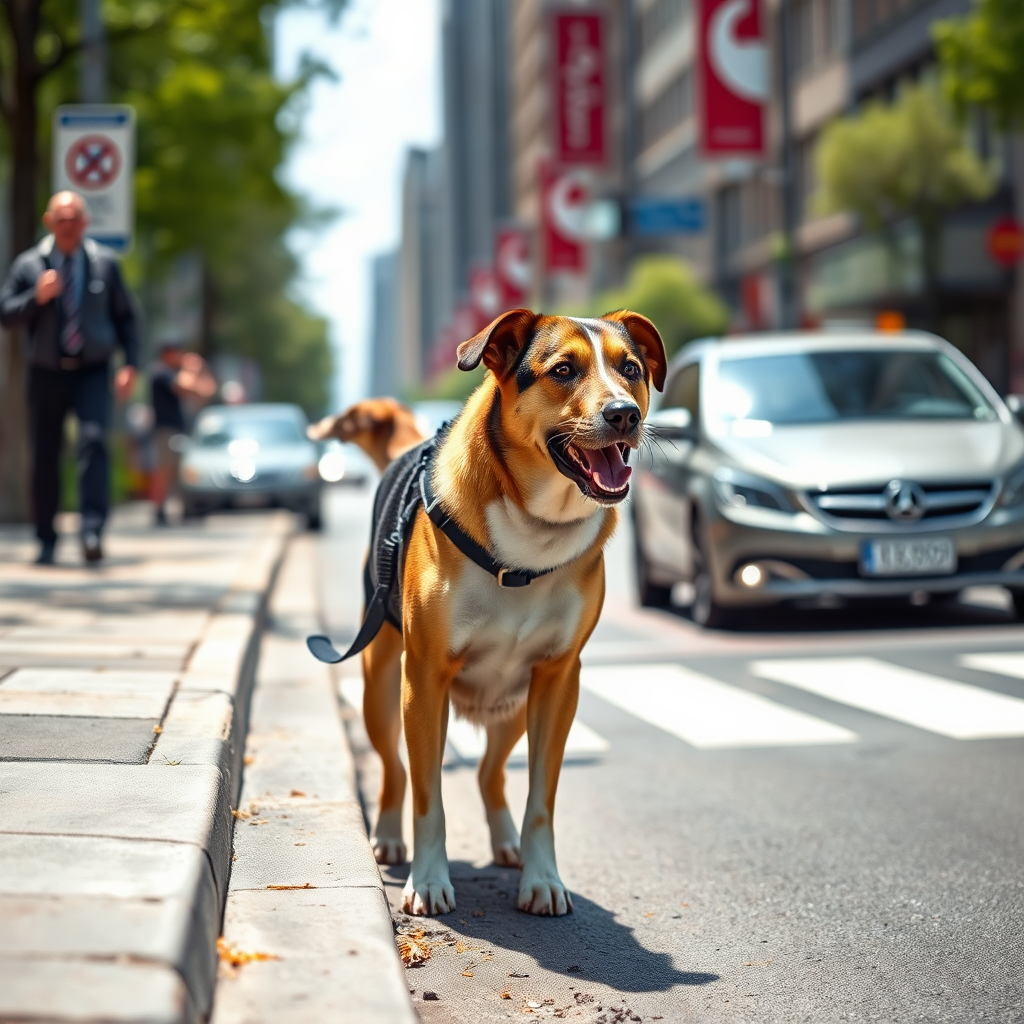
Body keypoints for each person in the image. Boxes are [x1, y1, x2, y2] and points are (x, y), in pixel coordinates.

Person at [0, 191, 138, 565]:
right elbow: (6, 313)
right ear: (48, 222)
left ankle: (92, 531)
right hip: (45, 371)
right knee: (45, 453)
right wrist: (35, 297)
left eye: (74, 217)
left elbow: (127, 317)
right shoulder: (30, 264)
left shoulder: (104, 264)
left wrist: (130, 364)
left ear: (85, 223)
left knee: (94, 443)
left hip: (93, 369)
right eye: (60, 218)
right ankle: (46, 537)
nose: (67, 225)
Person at [149, 336, 216, 524]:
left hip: (178, 430)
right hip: (166, 431)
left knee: (181, 471)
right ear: (168, 353)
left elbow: (206, 391)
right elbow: (187, 386)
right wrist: (192, 369)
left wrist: (201, 371)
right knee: (164, 471)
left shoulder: (175, 372)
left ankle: (185, 509)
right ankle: (159, 510)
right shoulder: (161, 372)